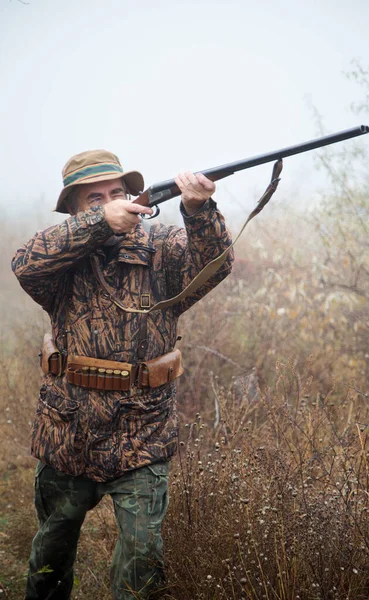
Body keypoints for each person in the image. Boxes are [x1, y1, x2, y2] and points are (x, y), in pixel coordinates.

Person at [12, 149, 234, 600]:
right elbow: (25, 263)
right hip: (67, 429)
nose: (111, 201)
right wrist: (99, 223)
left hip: (143, 428)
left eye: (117, 193)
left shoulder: (161, 249)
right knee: (50, 558)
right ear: (73, 209)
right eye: (95, 199)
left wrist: (199, 209)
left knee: (142, 561)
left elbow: (215, 265)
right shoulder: (58, 261)